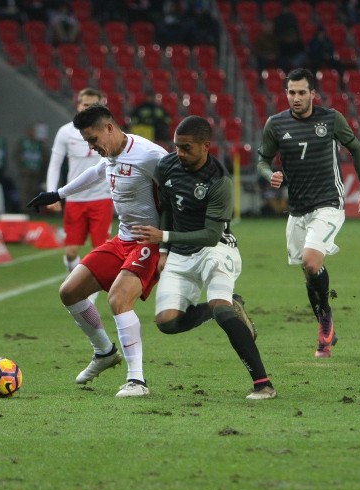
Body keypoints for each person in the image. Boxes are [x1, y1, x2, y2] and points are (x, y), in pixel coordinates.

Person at [130, 116, 277, 400]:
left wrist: (164, 238)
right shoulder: (167, 166)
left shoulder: (219, 180)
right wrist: (163, 251)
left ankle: (263, 383)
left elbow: (210, 235)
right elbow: (168, 208)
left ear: (205, 146)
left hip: (217, 250)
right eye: (176, 147)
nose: (180, 153)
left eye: (186, 148)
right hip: (179, 253)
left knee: (221, 309)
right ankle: (227, 307)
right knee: (167, 323)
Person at [27, 104, 168, 397]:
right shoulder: (111, 155)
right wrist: (58, 194)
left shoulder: (152, 155)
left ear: (109, 128)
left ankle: (137, 381)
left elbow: (176, 195)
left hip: (148, 242)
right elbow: (97, 172)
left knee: (118, 299)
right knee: (69, 291)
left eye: (93, 140)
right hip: (123, 239)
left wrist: (166, 243)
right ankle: (104, 351)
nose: (92, 147)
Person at [257, 68, 360, 358]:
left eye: (301, 92)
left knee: (311, 262)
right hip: (297, 211)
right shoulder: (275, 124)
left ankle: (324, 323)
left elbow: (356, 148)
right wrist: (267, 173)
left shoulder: (331, 119)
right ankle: (325, 321)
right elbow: (262, 159)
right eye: (291, 92)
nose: (295, 98)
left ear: (312, 94)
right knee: (309, 274)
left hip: (329, 204)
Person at [45, 88, 113, 275]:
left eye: (93, 105)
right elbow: (55, 164)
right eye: (85, 105)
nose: (88, 108)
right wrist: (52, 193)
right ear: (78, 105)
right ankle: (76, 280)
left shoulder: (109, 130)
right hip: (75, 199)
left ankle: (87, 296)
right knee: (70, 252)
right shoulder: (65, 132)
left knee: (101, 252)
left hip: (102, 198)